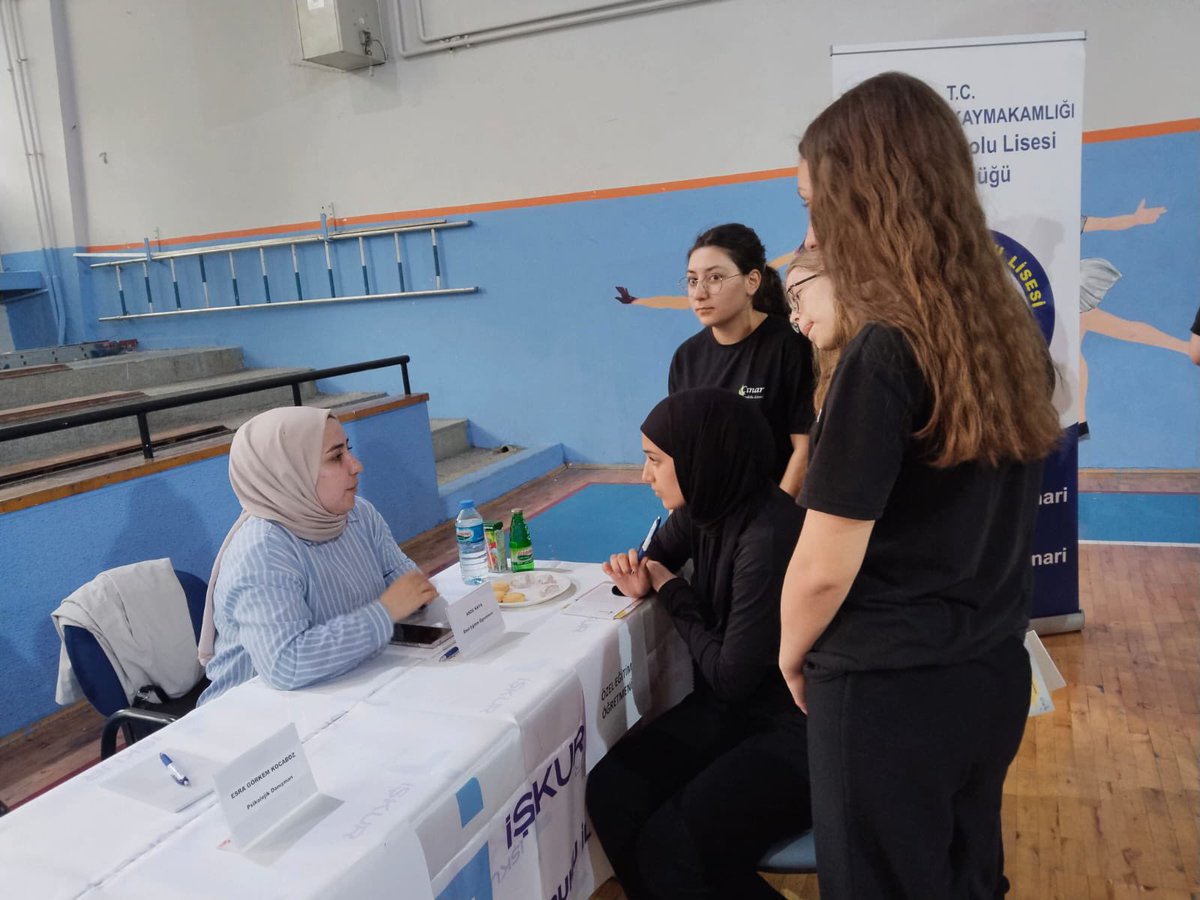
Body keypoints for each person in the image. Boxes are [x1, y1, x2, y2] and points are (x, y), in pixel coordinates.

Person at [779, 72, 1063, 900]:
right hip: (990, 674)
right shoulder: (1010, 336)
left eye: (812, 201)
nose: (808, 229)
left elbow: (825, 563)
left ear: (865, 195)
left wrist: (794, 654)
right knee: (966, 878)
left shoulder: (882, 353)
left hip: (887, 690)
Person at [586, 388, 812, 900]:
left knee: (675, 846)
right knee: (612, 791)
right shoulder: (707, 506)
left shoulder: (767, 536)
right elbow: (652, 560)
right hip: (739, 713)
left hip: (797, 731)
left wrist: (671, 589)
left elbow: (731, 679)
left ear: (701, 458)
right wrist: (637, 571)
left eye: (654, 462)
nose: (645, 476)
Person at [197, 407, 437, 705]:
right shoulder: (263, 549)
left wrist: (415, 596)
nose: (356, 465)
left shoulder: (358, 514)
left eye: (348, 450)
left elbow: (408, 584)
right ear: (289, 472)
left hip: (342, 687)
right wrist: (385, 612)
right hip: (256, 720)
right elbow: (286, 664)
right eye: (336, 457)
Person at [668, 223, 816, 496]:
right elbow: (683, 450)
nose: (699, 293)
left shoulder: (789, 347)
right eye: (692, 280)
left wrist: (776, 521)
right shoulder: (685, 359)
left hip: (774, 513)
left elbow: (804, 449)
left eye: (714, 278)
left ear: (752, 281)